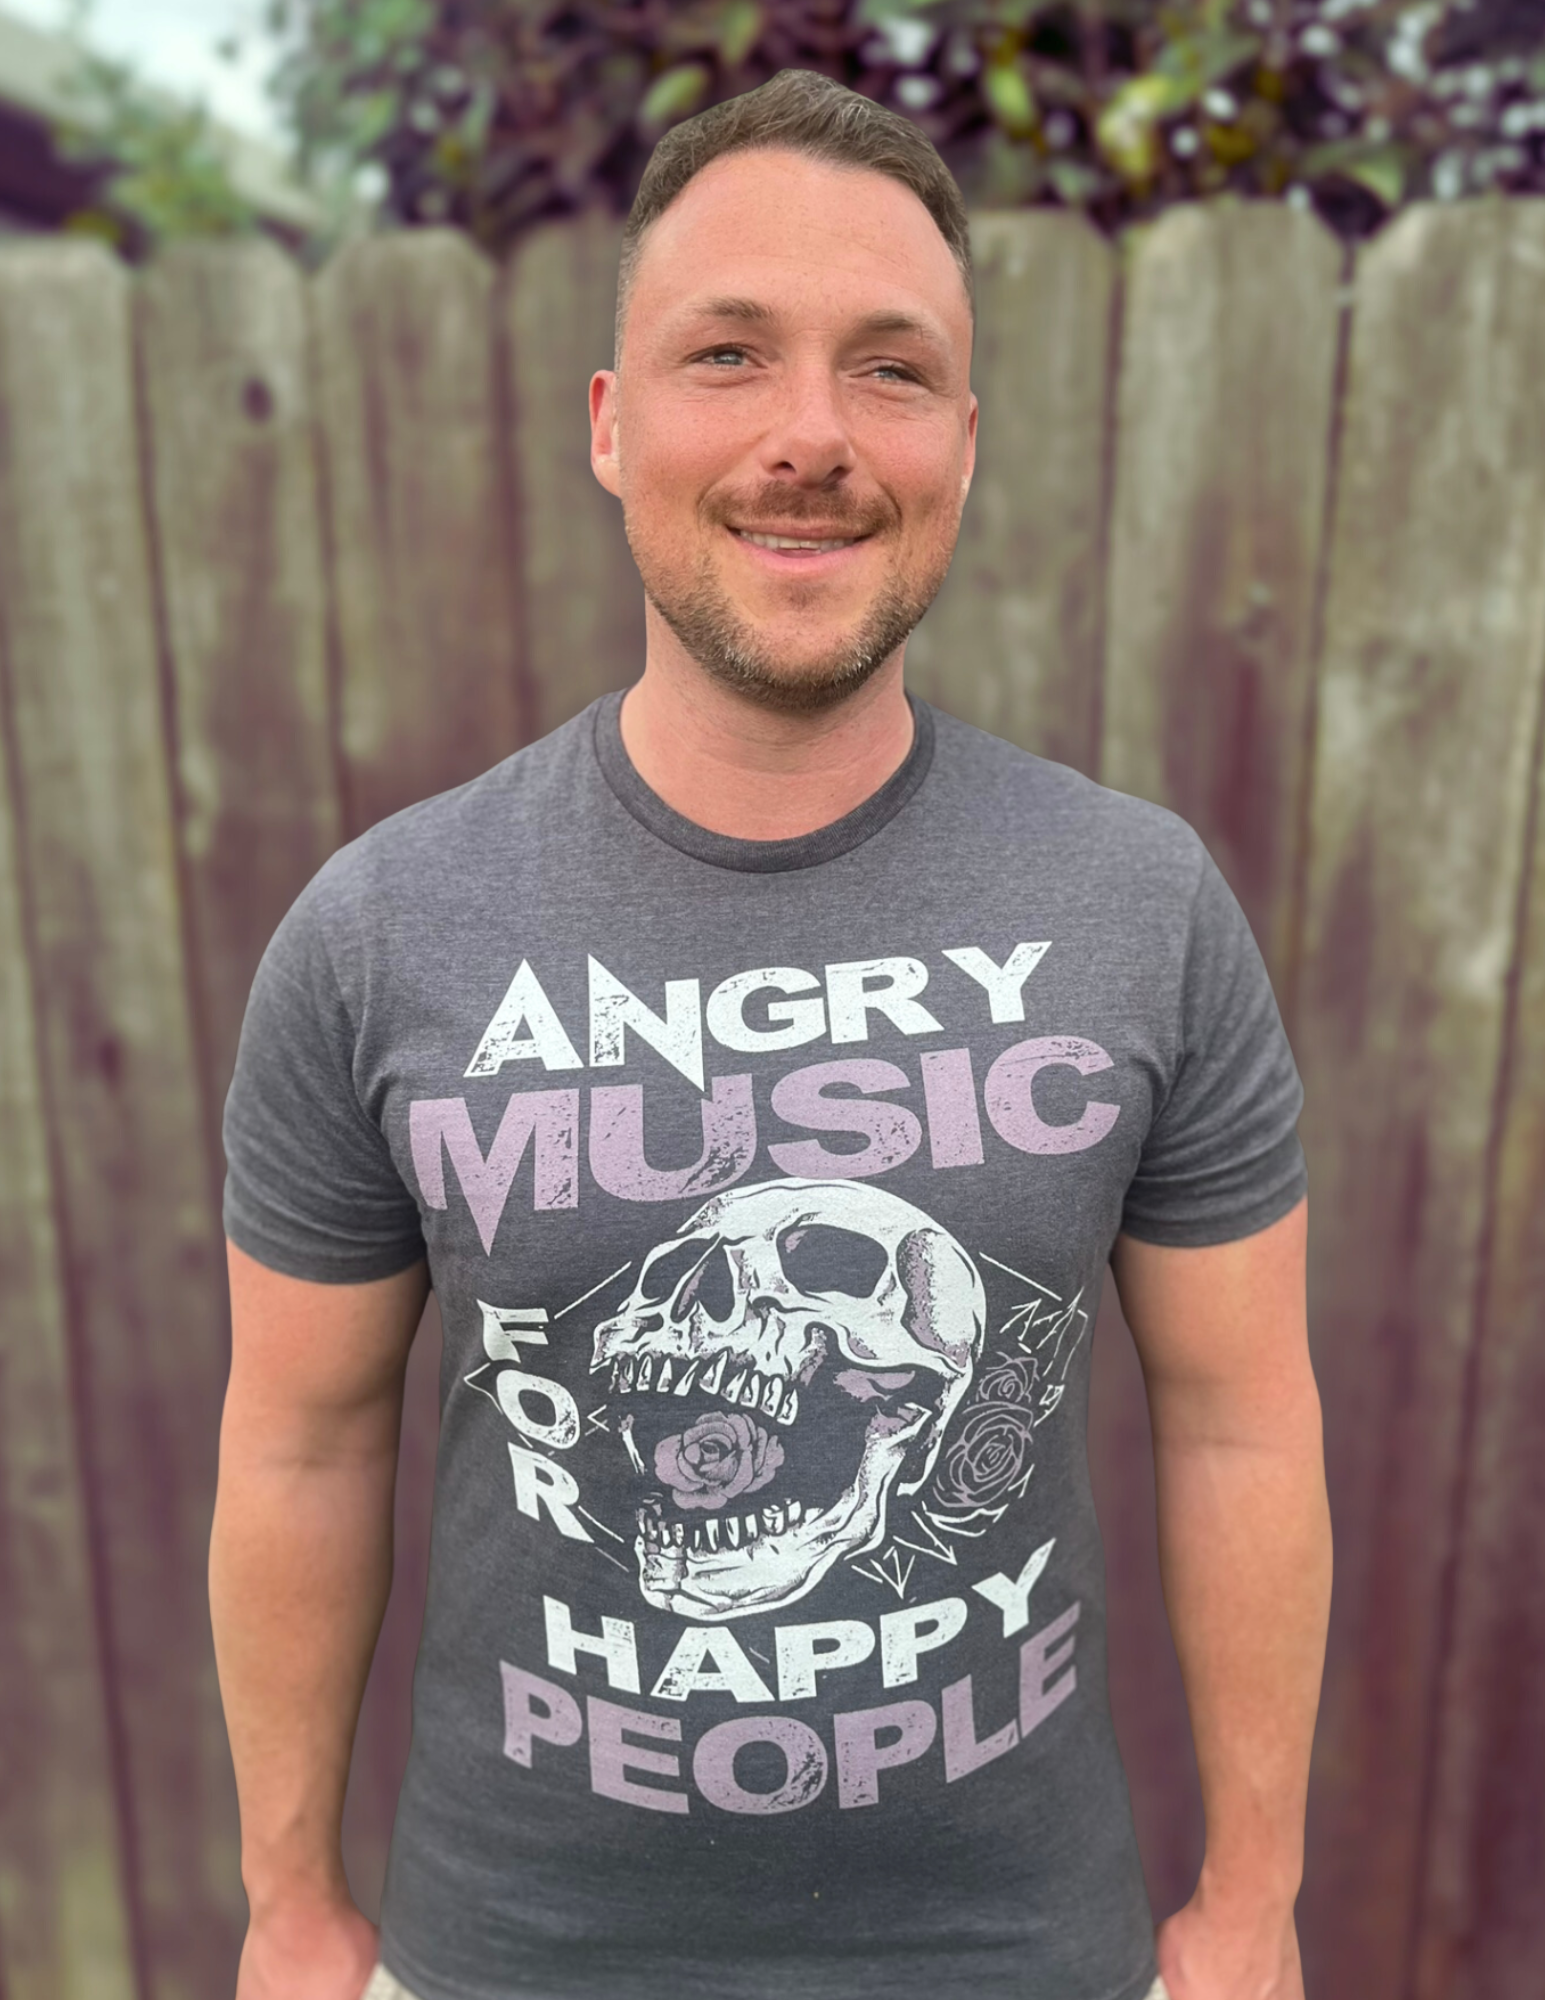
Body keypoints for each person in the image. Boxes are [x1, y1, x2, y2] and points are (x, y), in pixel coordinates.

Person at [211, 68, 1331, 2000]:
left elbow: (1241, 1419)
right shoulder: (379, 931)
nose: (811, 434)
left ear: (963, 445)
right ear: (612, 421)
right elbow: (302, 1440)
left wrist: (1255, 1906)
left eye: (889, 371)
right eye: (729, 353)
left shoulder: (1144, 905)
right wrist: (290, 1907)